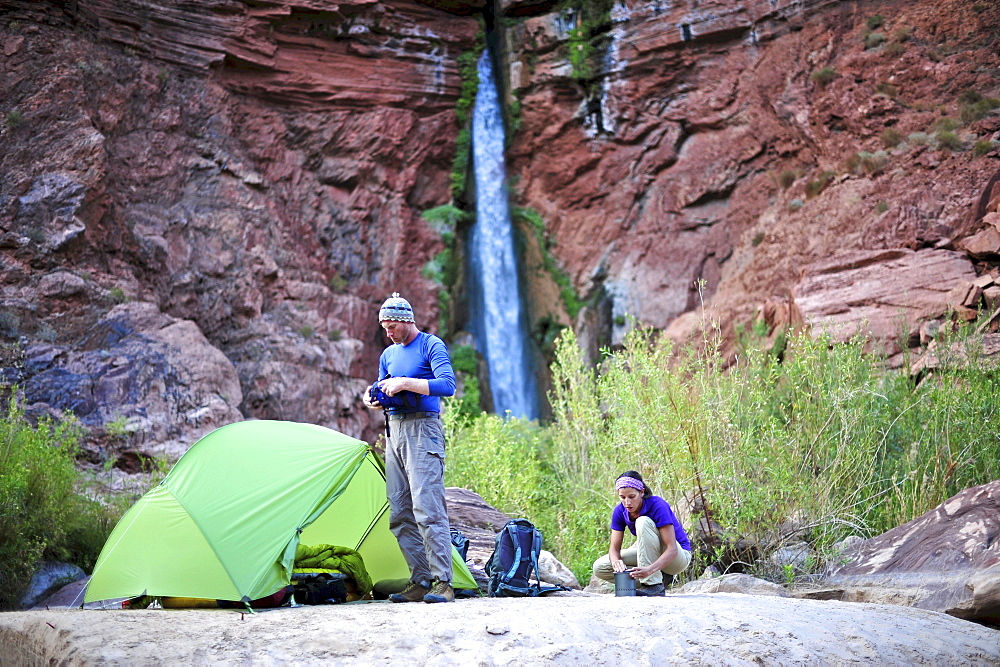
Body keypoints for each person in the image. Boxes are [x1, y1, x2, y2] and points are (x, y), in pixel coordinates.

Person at [364, 293, 457, 603]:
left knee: (428, 508)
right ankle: (419, 580)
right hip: (394, 431)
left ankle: (442, 582)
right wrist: (374, 399)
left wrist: (405, 382)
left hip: (423, 429)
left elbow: (448, 385)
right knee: (400, 511)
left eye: (392, 327)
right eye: (384, 328)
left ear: (407, 321)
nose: (388, 334)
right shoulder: (388, 355)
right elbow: (383, 388)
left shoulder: (431, 345)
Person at [592, 470, 693, 597]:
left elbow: (672, 549)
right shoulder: (619, 511)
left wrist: (650, 570)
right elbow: (613, 548)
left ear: (642, 492)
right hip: (654, 556)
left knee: (642, 521)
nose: (627, 502)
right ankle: (654, 581)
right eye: (622, 497)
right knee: (600, 567)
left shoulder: (657, 505)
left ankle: (653, 585)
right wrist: (616, 562)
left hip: (678, 558)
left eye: (632, 497)